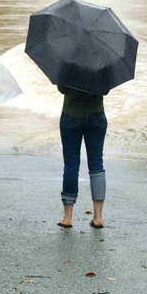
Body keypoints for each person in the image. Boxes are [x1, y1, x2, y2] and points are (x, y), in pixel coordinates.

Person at [56, 85, 108, 229]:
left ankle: (68, 217)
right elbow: (105, 89)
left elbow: (62, 89)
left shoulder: (68, 63)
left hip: (70, 115)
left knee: (71, 164)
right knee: (97, 164)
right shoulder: (101, 63)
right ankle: (98, 217)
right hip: (96, 115)